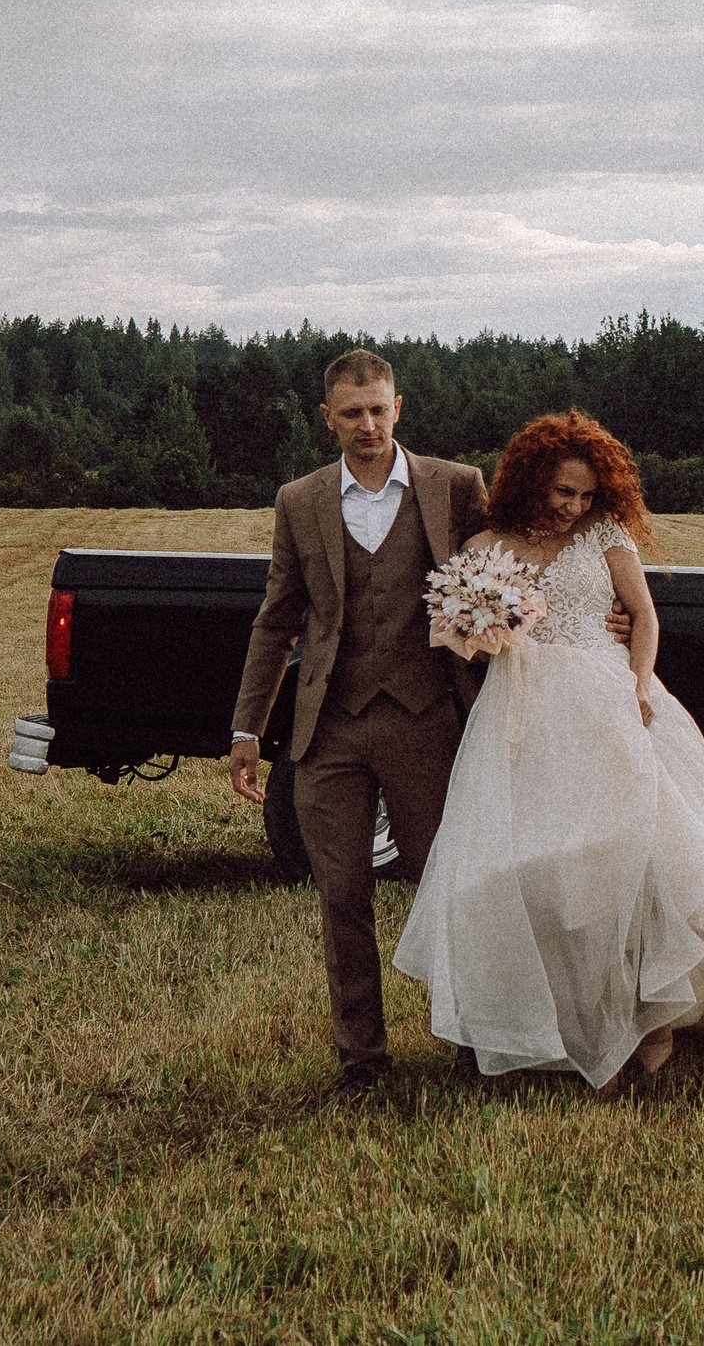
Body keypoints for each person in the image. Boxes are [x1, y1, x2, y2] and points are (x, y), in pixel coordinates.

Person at [393, 410, 704, 1087]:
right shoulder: (490, 543)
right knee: (525, 864)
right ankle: (535, 1021)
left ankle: (652, 1023)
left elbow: (646, 616)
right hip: (523, 712)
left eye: (584, 493)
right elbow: (466, 633)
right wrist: (482, 631)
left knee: (641, 858)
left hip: (611, 702)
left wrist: (637, 686)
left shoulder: (605, 536)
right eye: (562, 491)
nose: (574, 505)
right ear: (531, 481)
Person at [226, 348, 489, 1095]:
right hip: (329, 728)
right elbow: (276, 619)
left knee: (445, 885)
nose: (367, 424)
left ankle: (471, 1043)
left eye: (378, 409)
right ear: (328, 418)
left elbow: (508, 569)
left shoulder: (456, 486)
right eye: (351, 412)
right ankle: (362, 1063)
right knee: (342, 893)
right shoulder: (299, 500)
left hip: (427, 721)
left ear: (398, 407)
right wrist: (247, 729)